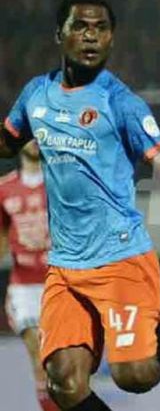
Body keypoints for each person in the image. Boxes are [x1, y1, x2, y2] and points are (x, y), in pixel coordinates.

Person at [0, 0, 160, 411]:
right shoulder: (35, 95)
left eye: (101, 29)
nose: (91, 37)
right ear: (59, 34)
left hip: (120, 259)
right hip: (65, 267)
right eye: (81, 27)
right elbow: (8, 143)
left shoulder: (120, 103)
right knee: (63, 383)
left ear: (111, 39)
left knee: (134, 378)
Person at [0, 141, 58, 411]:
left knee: (62, 362)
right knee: (39, 355)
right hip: (24, 287)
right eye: (27, 134)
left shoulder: (57, 183)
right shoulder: (4, 189)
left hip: (58, 282)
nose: (33, 140)